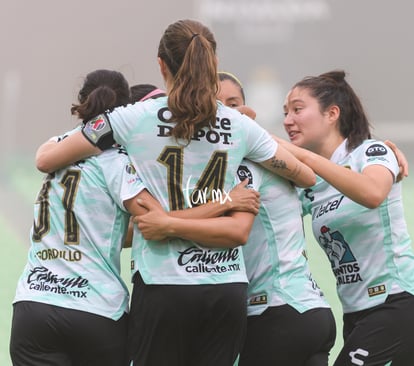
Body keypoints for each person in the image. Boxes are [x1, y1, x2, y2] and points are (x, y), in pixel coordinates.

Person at [35, 19, 316, 366]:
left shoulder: (132, 117)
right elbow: (304, 175)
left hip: (163, 286)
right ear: (212, 64)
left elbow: (48, 159)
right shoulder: (239, 125)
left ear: (161, 65)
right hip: (226, 287)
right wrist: (250, 147)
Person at [9, 69, 145, 366]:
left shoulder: (57, 146)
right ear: (126, 111)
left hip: (34, 305)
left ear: (82, 102)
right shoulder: (118, 161)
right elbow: (152, 220)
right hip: (96, 308)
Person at [281, 69, 414, 365]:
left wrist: (304, 157)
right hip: (355, 314)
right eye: (285, 112)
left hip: (397, 302)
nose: (288, 120)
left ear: (332, 114)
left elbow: (373, 193)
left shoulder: (371, 151)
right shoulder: (310, 181)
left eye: (297, 110)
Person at [218, 71, 336, 365]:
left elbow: (236, 229)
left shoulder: (245, 164)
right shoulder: (272, 163)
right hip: (313, 312)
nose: (225, 113)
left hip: (277, 312)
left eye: (233, 104)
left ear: (247, 111)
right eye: (216, 104)